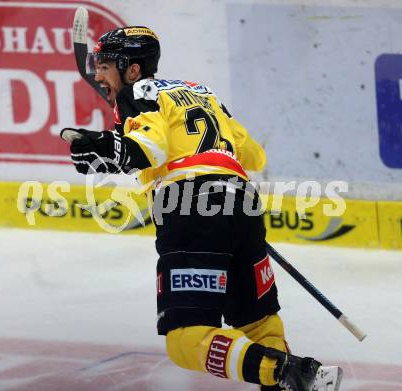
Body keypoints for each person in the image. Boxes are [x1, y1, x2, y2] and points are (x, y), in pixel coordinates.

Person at [60, 26, 342, 391]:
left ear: (132, 70)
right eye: (95, 67)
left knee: (184, 341)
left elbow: (150, 149)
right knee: (259, 325)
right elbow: (254, 155)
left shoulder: (137, 94)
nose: (97, 75)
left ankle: (289, 372)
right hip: (242, 204)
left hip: (191, 208)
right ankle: (287, 381)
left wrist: (106, 147)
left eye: (104, 66)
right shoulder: (200, 93)